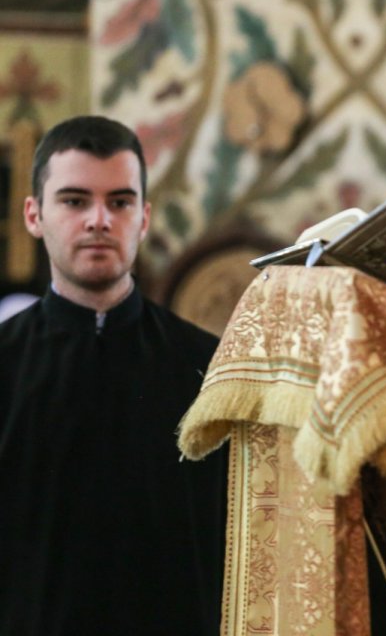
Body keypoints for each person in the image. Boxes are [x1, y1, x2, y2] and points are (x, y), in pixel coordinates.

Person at [0, 116, 225, 635]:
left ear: (143, 217)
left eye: (119, 202)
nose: (99, 219)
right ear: (34, 215)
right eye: (75, 201)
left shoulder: (212, 372)